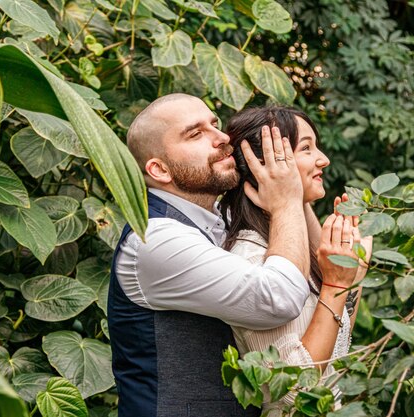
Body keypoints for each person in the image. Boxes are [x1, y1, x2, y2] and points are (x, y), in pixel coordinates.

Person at [108, 93, 315, 417]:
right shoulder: (155, 239)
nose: (222, 139)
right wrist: (287, 200)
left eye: (215, 125)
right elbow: (280, 298)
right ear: (159, 169)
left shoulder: (222, 219)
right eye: (196, 133)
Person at [221, 106, 372, 416]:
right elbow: (295, 392)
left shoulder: (295, 250)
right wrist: (333, 285)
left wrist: (351, 279)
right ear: (269, 165)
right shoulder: (251, 261)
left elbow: (335, 349)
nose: (323, 159)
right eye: (306, 148)